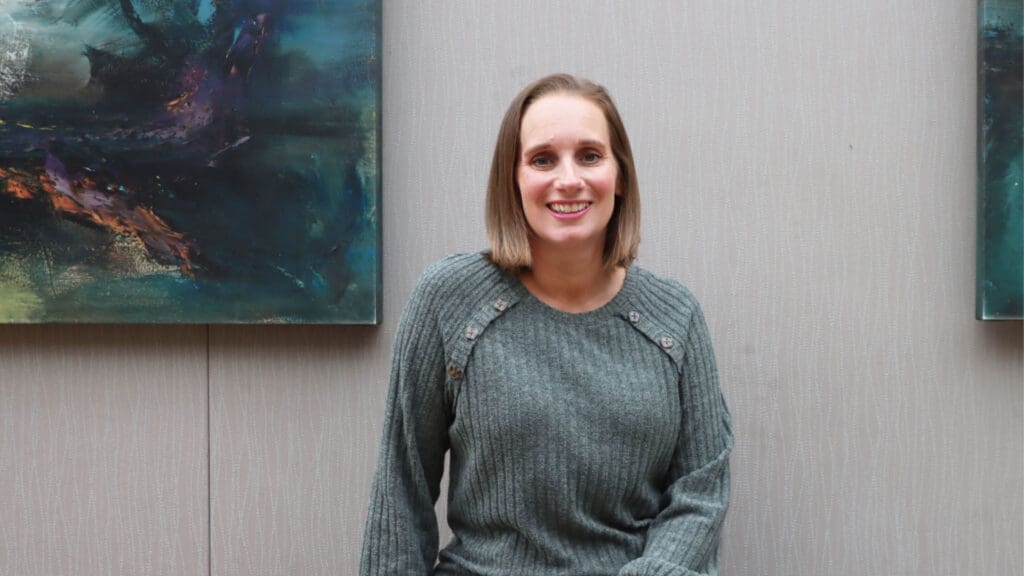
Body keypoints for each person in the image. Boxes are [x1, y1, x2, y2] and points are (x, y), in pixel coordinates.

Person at [360, 73, 733, 576]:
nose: (569, 179)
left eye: (590, 156)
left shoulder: (675, 315)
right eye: (542, 159)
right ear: (512, 179)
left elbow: (701, 492)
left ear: (620, 177)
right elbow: (401, 490)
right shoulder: (448, 299)